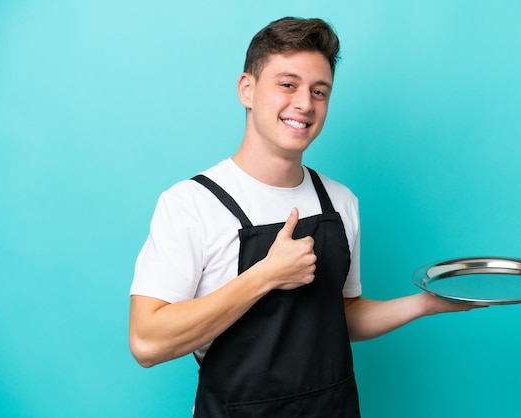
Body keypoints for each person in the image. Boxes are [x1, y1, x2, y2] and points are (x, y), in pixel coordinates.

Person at [129, 16, 474, 417]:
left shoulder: (340, 202)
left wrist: (425, 304)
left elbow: (340, 316)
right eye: (287, 84)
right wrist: (265, 276)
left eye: (319, 91)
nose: (305, 104)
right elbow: (147, 343)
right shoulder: (192, 204)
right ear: (247, 90)